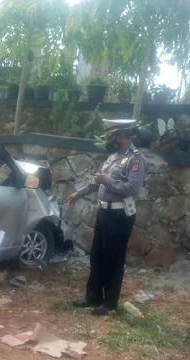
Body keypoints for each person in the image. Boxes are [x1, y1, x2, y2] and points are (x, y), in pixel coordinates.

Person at [65, 119, 147, 316]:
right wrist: (79, 193)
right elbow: (96, 181)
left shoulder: (136, 159)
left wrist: (107, 180)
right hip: (104, 212)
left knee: (113, 259)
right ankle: (93, 297)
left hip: (119, 215)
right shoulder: (113, 157)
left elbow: (132, 188)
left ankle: (109, 303)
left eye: (111, 137)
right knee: (97, 256)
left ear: (121, 136)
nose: (109, 141)